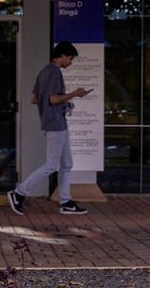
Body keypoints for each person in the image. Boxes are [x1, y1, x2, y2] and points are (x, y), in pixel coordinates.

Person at [7, 40, 91, 216]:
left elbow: (34, 98)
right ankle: (19, 192)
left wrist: (61, 104)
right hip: (55, 124)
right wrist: (76, 93)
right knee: (52, 165)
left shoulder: (44, 71)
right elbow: (53, 99)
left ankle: (66, 201)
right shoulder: (54, 72)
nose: (71, 62)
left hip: (55, 122)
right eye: (70, 58)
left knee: (67, 164)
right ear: (62, 56)